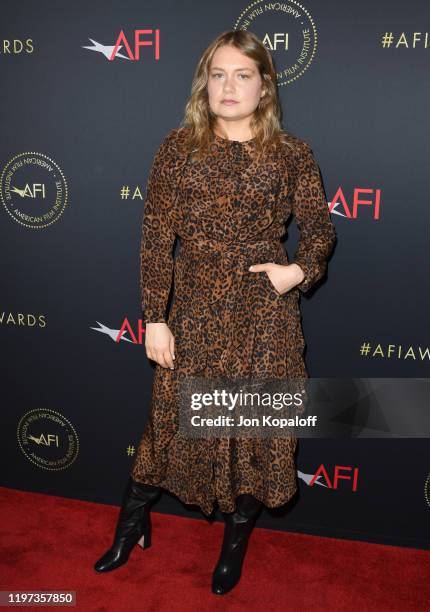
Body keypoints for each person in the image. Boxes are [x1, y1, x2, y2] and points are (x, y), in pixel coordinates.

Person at [94, 29, 337, 595]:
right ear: (205, 82)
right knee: (168, 427)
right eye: (219, 73)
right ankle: (131, 526)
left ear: (265, 86)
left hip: (263, 315)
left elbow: (321, 231)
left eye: (243, 74)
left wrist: (299, 271)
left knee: (255, 431)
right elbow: (156, 241)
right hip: (195, 308)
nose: (229, 86)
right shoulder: (177, 148)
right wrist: (155, 316)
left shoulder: (291, 152)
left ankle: (235, 542)